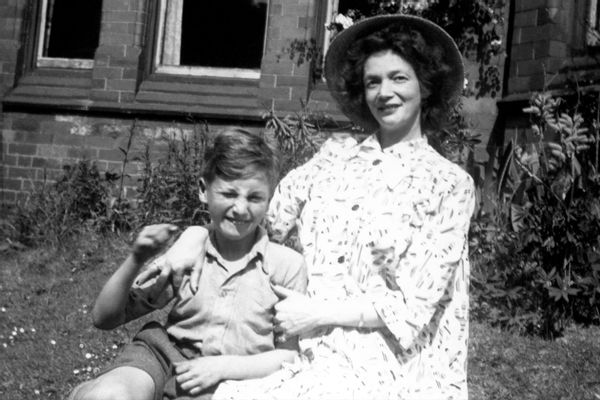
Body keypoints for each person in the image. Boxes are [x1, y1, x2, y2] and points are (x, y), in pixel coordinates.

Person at [169, 14, 475, 399]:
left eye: (399, 78)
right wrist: (196, 236)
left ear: (425, 86)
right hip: (308, 344)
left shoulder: (449, 185)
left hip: (395, 362)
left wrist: (317, 313)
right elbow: (258, 222)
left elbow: (414, 305)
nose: (384, 92)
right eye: (372, 82)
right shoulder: (332, 160)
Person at [68, 128, 308, 400]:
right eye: (228, 194)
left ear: (269, 199)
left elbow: (289, 354)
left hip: (238, 379)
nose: (241, 208)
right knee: (109, 396)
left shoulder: (286, 266)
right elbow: (105, 318)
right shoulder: (187, 252)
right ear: (204, 190)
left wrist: (223, 368)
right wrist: (137, 258)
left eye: (254, 197)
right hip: (166, 357)